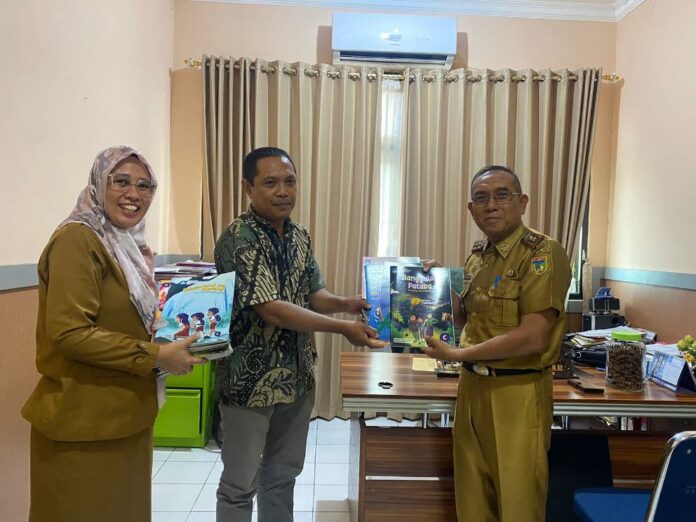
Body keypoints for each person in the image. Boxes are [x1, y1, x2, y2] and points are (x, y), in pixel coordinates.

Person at [21, 146, 204, 522]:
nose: (133, 194)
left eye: (144, 185)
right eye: (120, 182)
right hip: (83, 424)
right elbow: (70, 332)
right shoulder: (78, 240)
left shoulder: (126, 246)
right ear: (97, 185)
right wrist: (157, 356)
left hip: (125, 416)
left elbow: (123, 321)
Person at [213, 146, 385, 522]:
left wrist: (346, 303)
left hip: (298, 378)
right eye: (270, 183)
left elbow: (312, 294)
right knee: (239, 485)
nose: (283, 191)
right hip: (249, 385)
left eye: (289, 181)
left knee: (282, 477)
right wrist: (343, 328)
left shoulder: (299, 235)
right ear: (248, 187)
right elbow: (271, 309)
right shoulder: (239, 238)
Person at [421, 165, 571, 522]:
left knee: (517, 505)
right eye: (481, 198)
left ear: (522, 202)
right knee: (473, 501)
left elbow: (533, 336)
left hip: (517, 391)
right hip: (472, 389)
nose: (491, 205)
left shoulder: (541, 253)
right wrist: (440, 287)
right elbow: (469, 321)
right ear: (470, 209)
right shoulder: (478, 256)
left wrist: (457, 353)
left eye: (502, 195)